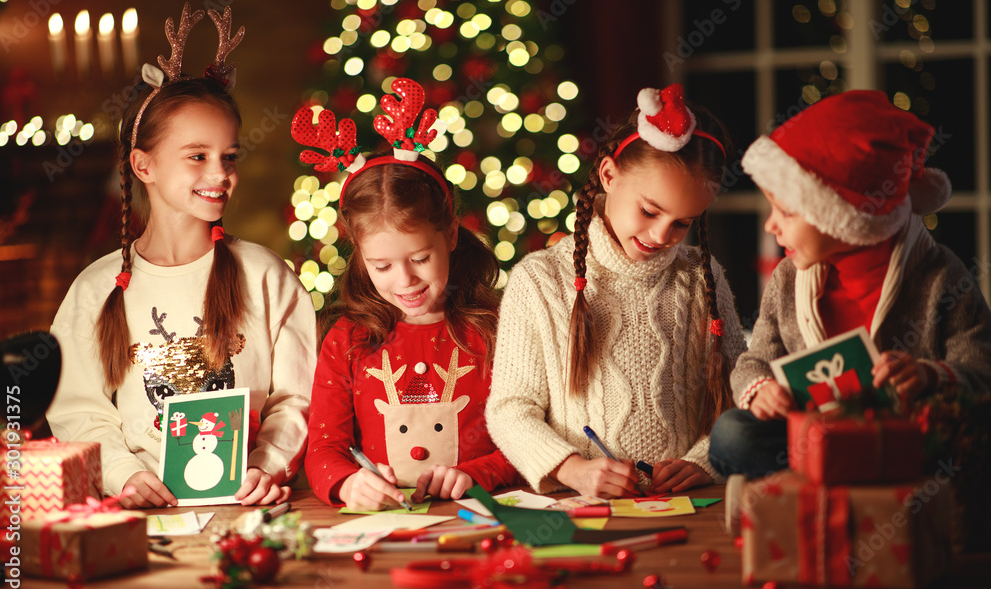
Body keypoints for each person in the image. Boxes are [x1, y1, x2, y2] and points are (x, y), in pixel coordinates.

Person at [47, 5, 315, 508]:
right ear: (143, 164)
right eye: (197, 156)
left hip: (253, 505)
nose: (220, 173)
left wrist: (266, 464)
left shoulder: (266, 275)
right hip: (144, 513)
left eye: (229, 156)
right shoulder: (96, 287)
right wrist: (124, 474)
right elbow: (77, 407)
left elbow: (296, 397)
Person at [709, 90, 991, 478]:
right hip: (814, 434)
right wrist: (760, 390)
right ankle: (839, 482)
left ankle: (835, 486)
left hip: (902, 438)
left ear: (845, 216)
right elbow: (754, 362)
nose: (770, 226)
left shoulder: (940, 275)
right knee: (731, 434)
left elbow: (981, 370)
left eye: (787, 212)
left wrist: (929, 376)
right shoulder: (789, 278)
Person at [485, 84, 747, 498]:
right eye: (649, 210)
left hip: (687, 504)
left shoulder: (702, 277)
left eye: (682, 223)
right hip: (579, 505)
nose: (662, 235)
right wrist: (573, 471)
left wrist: (706, 460)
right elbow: (510, 410)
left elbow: (740, 394)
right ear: (609, 175)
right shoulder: (538, 281)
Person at [300, 79, 521, 511]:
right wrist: (347, 484)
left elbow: (525, 438)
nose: (405, 281)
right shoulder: (347, 339)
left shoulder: (495, 329)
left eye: (421, 258)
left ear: (451, 235)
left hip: (482, 517)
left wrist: (477, 474)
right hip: (387, 523)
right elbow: (324, 449)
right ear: (360, 256)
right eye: (382, 266)